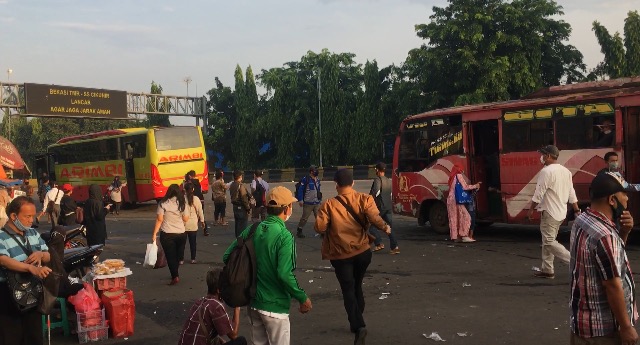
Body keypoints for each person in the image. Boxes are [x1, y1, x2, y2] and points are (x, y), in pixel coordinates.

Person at [223, 186, 312, 345]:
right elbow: (284, 274)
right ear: (286, 209)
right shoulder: (285, 237)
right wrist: (302, 298)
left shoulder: (253, 228)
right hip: (275, 307)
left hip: (254, 303)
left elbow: (227, 256)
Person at [315, 169, 390, 345]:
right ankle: (357, 320)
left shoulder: (329, 205)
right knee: (357, 285)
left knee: (348, 289)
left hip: (341, 255)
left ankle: (358, 325)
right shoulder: (365, 199)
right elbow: (374, 217)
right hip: (363, 252)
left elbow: (319, 228)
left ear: (336, 185)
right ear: (353, 183)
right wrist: (385, 227)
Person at [569, 172, 638, 344]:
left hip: (583, 322)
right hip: (603, 331)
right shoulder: (605, 235)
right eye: (624, 194)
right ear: (612, 200)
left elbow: (607, 261)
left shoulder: (583, 220)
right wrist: (626, 327)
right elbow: (612, 285)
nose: (627, 199)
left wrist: (623, 232)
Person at [0, 196, 52, 345]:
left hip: (31, 292)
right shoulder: (1, 237)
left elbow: (48, 255)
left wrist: (41, 254)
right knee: (11, 337)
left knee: (34, 336)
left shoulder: (33, 233)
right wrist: (30, 267)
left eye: (33, 216)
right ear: (13, 216)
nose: (31, 220)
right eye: (27, 216)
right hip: (8, 294)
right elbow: (2, 259)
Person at [527, 145, 581, 279]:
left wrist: (530, 209)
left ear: (549, 156)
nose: (541, 157)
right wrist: (576, 210)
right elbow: (571, 192)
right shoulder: (566, 171)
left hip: (550, 212)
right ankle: (547, 269)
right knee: (548, 241)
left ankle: (576, 263)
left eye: (543, 155)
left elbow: (539, 193)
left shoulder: (546, 171)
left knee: (549, 242)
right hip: (561, 212)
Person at [178, 268, 247, 345]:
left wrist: (217, 340)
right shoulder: (216, 306)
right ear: (219, 290)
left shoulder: (199, 302)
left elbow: (199, 329)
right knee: (241, 341)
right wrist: (237, 307)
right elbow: (233, 335)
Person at [152, 184, 189, 285]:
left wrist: (154, 233)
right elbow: (186, 218)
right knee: (177, 255)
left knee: (170, 256)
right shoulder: (182, 203)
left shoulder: (163, 203)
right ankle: (175, 272)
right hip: (181, 233)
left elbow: (160, 220)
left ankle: (175, 276)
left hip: (167, 233)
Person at [369, 162, 399, 254]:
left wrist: (369, 200)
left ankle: (379, 243)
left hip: (380, 207)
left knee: (372, 228)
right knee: (389, 227)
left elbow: (376, 192)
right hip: (388, 207)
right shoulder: (388, 180)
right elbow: (390, 194)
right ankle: (395, 247)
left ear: (377, 170)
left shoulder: (378, 179)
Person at [447, 165, 480, 243]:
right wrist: (476, 185)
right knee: (466, 216)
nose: (462, 170)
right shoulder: (458, 175)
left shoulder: (452, 176)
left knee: (453, 218)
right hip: (457, 200)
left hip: (450, 199)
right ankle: (464, 235)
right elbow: (465, 187)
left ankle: (455, 237)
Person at [295, 165, 322, 238]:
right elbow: (300, 190)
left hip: (316, 202)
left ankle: (321, 232)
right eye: (315, 170)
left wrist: (320, 200)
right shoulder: (306, 179)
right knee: (304, 218)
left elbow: (318, 190)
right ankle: (299, 230)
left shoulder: (317, 179)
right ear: (311, 172)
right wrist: (300, 200)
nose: (316, 171)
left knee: (319, 217)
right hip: (308, 203)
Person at [183, 182, 205, 264]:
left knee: (182, 244)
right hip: (193, 224)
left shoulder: (182, 199)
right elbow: (200, 211)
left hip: (183, 224)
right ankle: (193, 259)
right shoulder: (196, 199)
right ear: (193, 189)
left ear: (184, 190)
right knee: (193, 243)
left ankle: (181, 259)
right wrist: (202, 221)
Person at [229, 170, 251, 238]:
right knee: (243, 225)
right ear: (240, 177)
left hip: (235, 206)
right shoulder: (240, 186)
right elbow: (244, 198)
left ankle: (237, 239)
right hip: (241, 207)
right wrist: (248, 208)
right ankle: (241, 240)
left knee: (237, 224)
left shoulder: (232, 185)